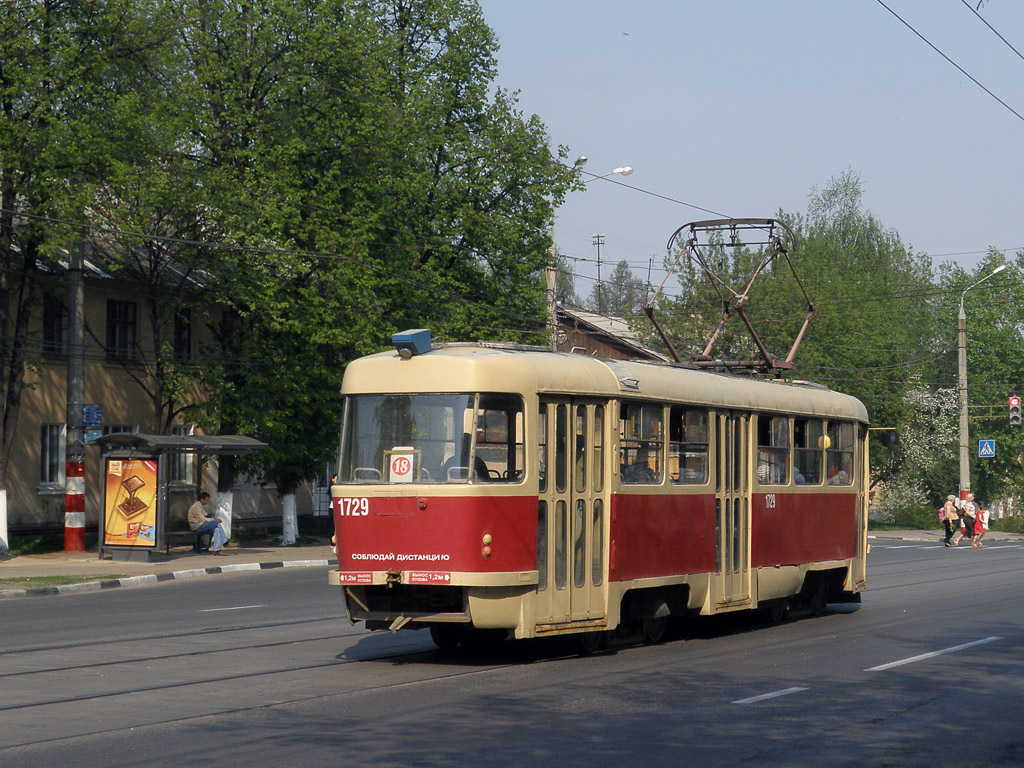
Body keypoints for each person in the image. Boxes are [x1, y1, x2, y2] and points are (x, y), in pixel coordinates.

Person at [187, 491, 228, 555]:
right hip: (197, 526)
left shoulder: (200, 505)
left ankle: (217, 550)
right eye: (206, 500)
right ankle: (225, 542)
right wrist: (214, 520)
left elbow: (205, 514)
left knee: (216, 530)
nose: (207, 502)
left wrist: (214, 519)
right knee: (217, 524)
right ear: (201, 499)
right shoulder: (196, 506)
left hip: (201, 525)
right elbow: (202, 519)